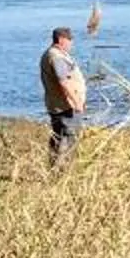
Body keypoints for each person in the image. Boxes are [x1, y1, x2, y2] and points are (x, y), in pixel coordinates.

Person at [37, 24, 86, 170]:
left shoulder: (55, 54)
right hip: (65, 106)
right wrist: (76, 102)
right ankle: (62, 172)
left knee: (59, 137)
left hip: (59, 104)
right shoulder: (56, 57)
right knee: (67, 139)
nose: (71, 43)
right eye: (69, 40)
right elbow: (63, 82)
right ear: (61, 39)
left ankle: (55, 170)